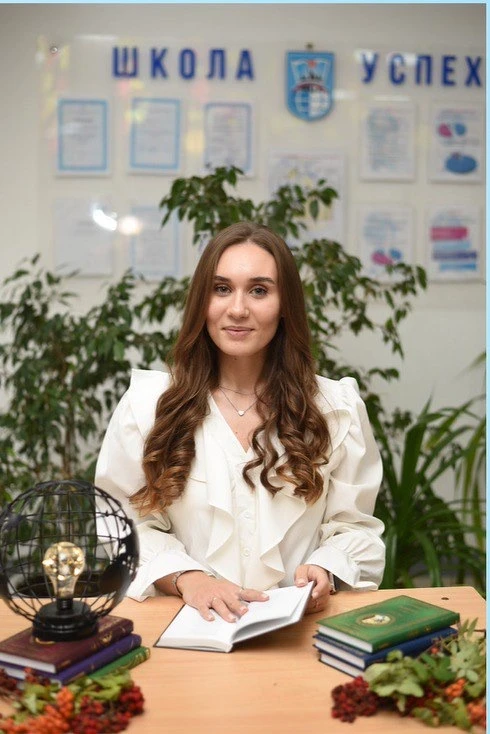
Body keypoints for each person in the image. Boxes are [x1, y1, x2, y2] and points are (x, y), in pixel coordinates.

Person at [95, 222, 385, 623]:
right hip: (188, 628)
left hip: (299, 630)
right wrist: (189, 578)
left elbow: (355, 527)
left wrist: (328, 568)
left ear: (285, 305)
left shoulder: (336, 409)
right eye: (221, 288)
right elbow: (122, 525)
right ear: (202, 301)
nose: (237, 309)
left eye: (259, 290)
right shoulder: (148, 407)